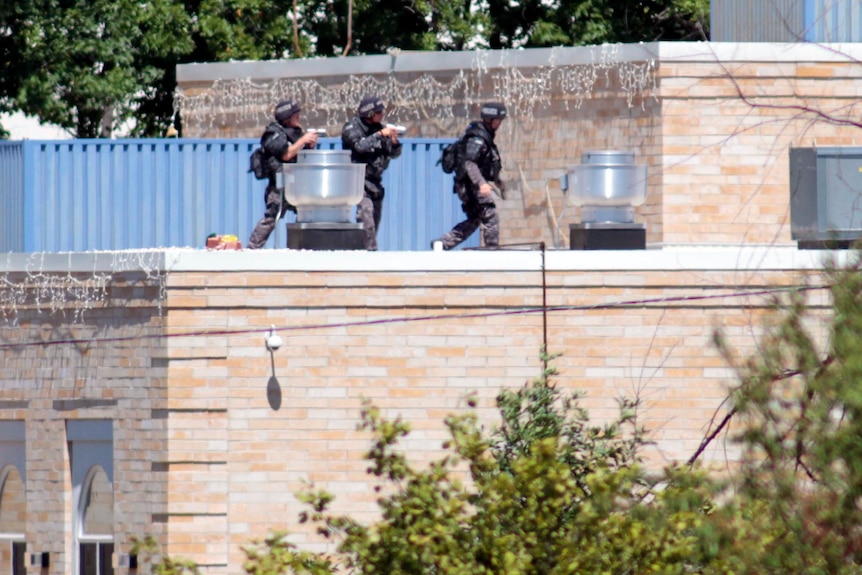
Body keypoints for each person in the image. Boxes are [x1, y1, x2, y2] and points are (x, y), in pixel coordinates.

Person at [247, 99, 319, 249]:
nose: (299, 117)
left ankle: (308, 247)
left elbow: (301, 156)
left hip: (297, 183)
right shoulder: (272, 134)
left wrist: (309, 145)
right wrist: (303, 140)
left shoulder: (296, 132)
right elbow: (286, 154)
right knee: (271, 217)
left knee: (310, 213)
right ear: (287, 117)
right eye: (295, 115)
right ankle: (252, 248)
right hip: (279, 185)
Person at [435, 102, 507, 250]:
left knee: (475, 219)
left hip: (468, 185)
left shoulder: (485, 136)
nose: (499, 124)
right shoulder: (478, 138)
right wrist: (481, 183)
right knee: (490, 215)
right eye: (498, 120)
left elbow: (487, 164)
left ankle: (442, 243)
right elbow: (470, 163)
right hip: (469, 185)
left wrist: (498, 182)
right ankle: (492, 251)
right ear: (490, 120)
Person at [341, 95, 403, 250]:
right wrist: (380, 135)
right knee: (366, 214)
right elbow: (360, 146)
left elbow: (394, 154)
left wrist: (394, 142)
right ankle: (370, 252)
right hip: (357, 180)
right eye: (378, 112)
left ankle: (362, 249)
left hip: (375, 181)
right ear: (369, 113)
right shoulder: (352, 127)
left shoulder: (379, 128)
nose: (382, 115)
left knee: (374, 222)